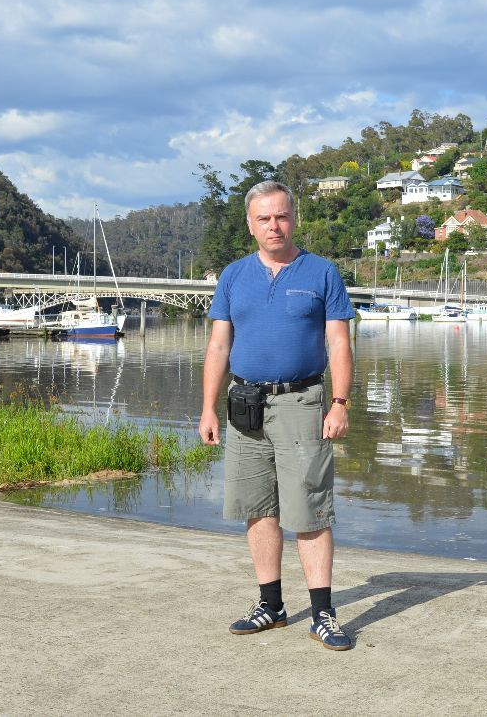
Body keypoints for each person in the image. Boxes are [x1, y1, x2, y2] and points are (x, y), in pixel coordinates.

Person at [199, 180, 356, 651]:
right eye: (264, 218)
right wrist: (207, 407)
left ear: (294, 219)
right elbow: (219, 345)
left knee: (310, 509)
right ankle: (272, 605)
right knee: (257, 508)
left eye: (282, 216)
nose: (274, 225)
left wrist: (341, 402)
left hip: (303, 404)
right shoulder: (233, 276)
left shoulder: (322, 273)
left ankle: (323, 613)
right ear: (250, 225)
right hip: (244, 404)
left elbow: (339, 342)